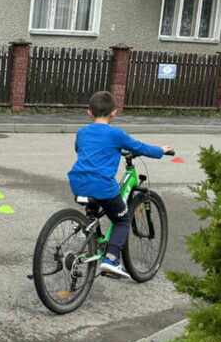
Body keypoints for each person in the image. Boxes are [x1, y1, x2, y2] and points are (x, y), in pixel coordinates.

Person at [68, 91, 173, 279]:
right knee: (122, 220)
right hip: (102, 186)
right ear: (114, 113)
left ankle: (91, 234)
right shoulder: (116, 134)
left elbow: (79, 148)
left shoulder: (82, 132)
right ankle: (111, 259)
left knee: (94, 207)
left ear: (89, 112)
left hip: (77, 182)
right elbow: (140, 147)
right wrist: (161, 150)